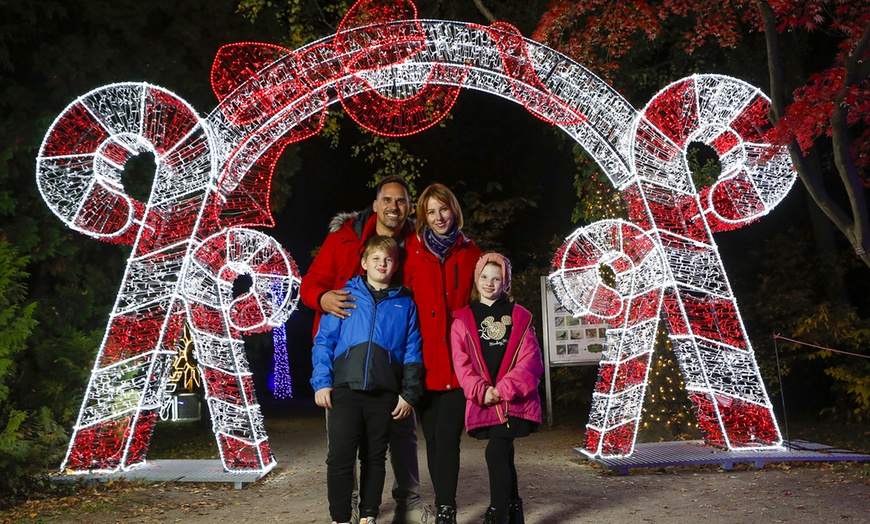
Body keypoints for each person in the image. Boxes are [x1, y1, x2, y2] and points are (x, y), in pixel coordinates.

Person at [300, 175, 433, 524]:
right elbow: (311, 284)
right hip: (346, 364)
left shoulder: (418, 243)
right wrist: (322, 297)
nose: (394, 207)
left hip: (391, 369)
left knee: (397, 440)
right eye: (387, 200)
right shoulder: (344, 238)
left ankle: (405, 502)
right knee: (343, 448)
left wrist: (410, 383)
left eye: (402, 201)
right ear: (375, 205)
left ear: (409, 208)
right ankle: (347, 510)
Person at [312, 236, 424, 524]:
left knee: (374, 458)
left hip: (383, 392)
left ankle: (368, 515)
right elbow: (324, 342)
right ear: (364, 263)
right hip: (344, 391)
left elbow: (413, 351)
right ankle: (340, 518)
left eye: (387, 259)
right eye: (375, 259)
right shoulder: (345, 296)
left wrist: (409, 393)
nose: (381, 264)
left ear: (395, 264)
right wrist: (322, 382)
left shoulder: (405, 304)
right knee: (340, 457)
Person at [404, 183, 482, 524]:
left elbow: (488, 298)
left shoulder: (471, 253)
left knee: (449, 438)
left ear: (454, 210)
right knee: (433, 439)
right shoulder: (410, 251)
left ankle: (446, 508)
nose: (438, 217)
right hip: (422, 361)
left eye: (444, 209)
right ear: (423, 216)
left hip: (458, 362)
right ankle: (443, 502)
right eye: (431, 211)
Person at [450, 253, 543, 524]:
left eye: (496, 278)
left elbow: (531, 360)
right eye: (484, 277)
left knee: (496, 451)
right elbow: (462, 363)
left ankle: (498, 513)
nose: (489, 283)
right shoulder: (463, 320)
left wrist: (504, 389)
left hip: (513, 400)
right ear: (476, 279)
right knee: (504, 453)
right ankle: (515, 511)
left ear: (506, 283)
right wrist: (482, 390)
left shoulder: (519, 316)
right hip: (485, 399)